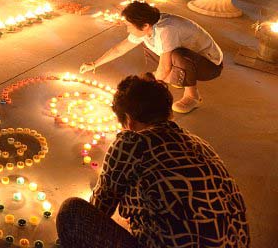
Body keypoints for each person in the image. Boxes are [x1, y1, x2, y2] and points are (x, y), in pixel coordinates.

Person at [57, 74, 249, 248]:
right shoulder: (200, 145)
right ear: (169, 113)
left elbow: (100, 208)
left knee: (72, 212)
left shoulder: (132, 142)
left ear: (129, 121)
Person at [80, 1, 223, 113]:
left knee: (177, 56)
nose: (127, 29)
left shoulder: (166, 30)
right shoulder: (148, 27)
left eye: (129, 25)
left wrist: (145, 95)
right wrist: (94, 64)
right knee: (150, 46)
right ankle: (177, 76)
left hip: (209, 65)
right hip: (189, 58)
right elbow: (119, 49)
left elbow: (165, 66)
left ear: (145, 25)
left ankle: (192, 95)